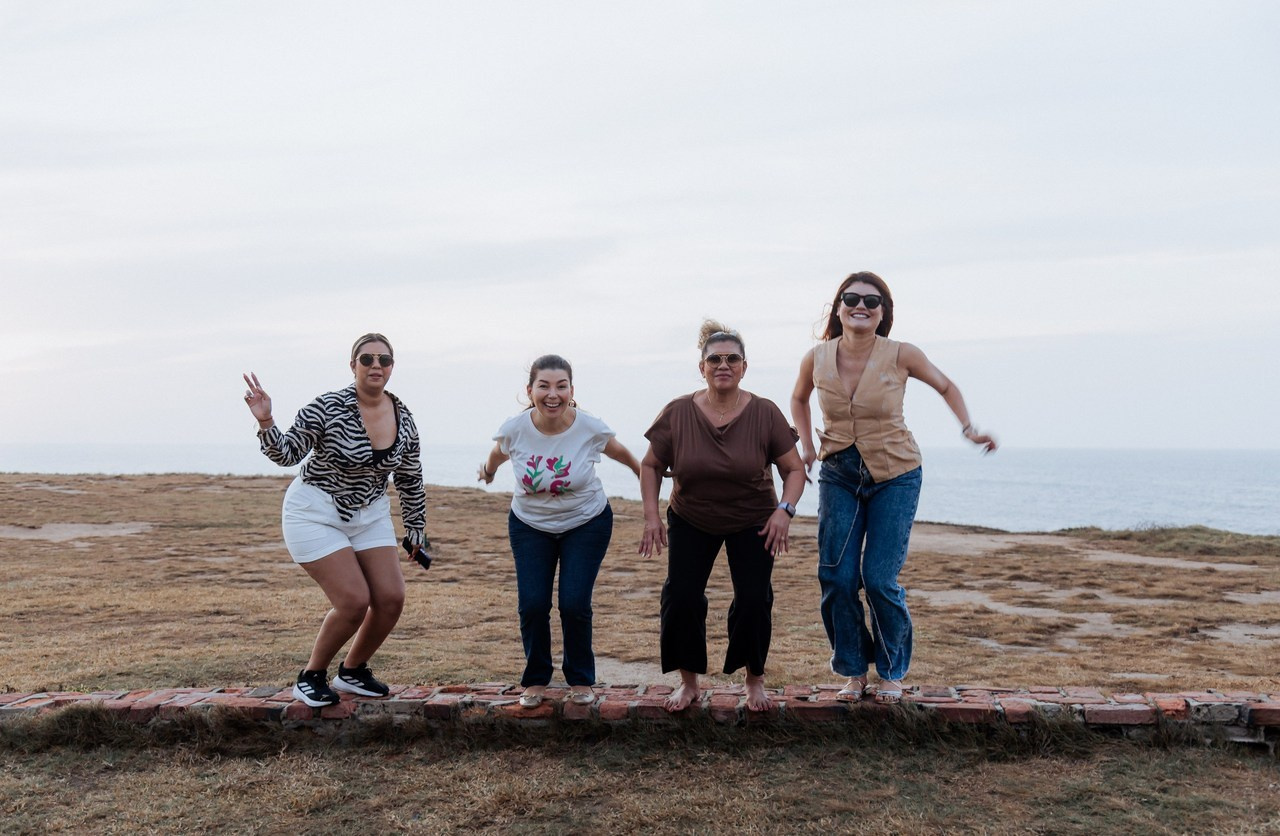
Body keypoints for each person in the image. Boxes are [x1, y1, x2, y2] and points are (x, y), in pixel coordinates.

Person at [790, 272, 997, 704]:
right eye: (851, 298)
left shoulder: (902, 354)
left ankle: (890, 671)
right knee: (837, 575)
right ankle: (852, 671)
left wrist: (968, 428)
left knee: (879, 578)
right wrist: (807, 447)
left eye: (871, 299)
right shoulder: (817, 356)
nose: (860, 305)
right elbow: (798, 398)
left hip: (896, 474)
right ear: (839, 307)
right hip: (839, 472)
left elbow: (945, 385)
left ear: (883, 312)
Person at [242, 333, 427, 707]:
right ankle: (311, 676)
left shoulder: (403, 416)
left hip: (370, 512)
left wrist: (415, 529)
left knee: (390, 598)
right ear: (353, 364)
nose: (376, 366)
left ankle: (353, 671)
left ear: (392, 367)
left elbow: (409, 476)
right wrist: (266, 421)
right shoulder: (328, 407)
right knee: (354, 601)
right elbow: (287, 453)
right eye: (367, 359)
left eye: (384, 360)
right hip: (315, 512)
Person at [639, 320, 807, 713]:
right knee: (680, 597)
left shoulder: (765, 413)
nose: (723, 365)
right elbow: (650, 466)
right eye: (714, 359)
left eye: (732, 358)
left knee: (753, 599)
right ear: (702, 367)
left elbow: (794, 470)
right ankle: (689, 683)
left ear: (744, 367)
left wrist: (785, 510)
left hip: (755, 520)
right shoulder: (678, 411)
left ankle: (754, 681)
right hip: (691, 516)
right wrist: (651, 517)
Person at [479, 354, 641, 708]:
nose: (553, 394)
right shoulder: (515, 428)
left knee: (573, 603)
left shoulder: (589, 426)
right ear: (530, 390)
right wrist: (488, 474)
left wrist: (644, 474)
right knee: (533, 604)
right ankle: (536, 679)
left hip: (586, 522)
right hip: (529, 525)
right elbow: (497, 455)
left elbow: (620, 452)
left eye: (561, 386)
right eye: (544, 386)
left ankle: (581, 680)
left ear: (571, 390)